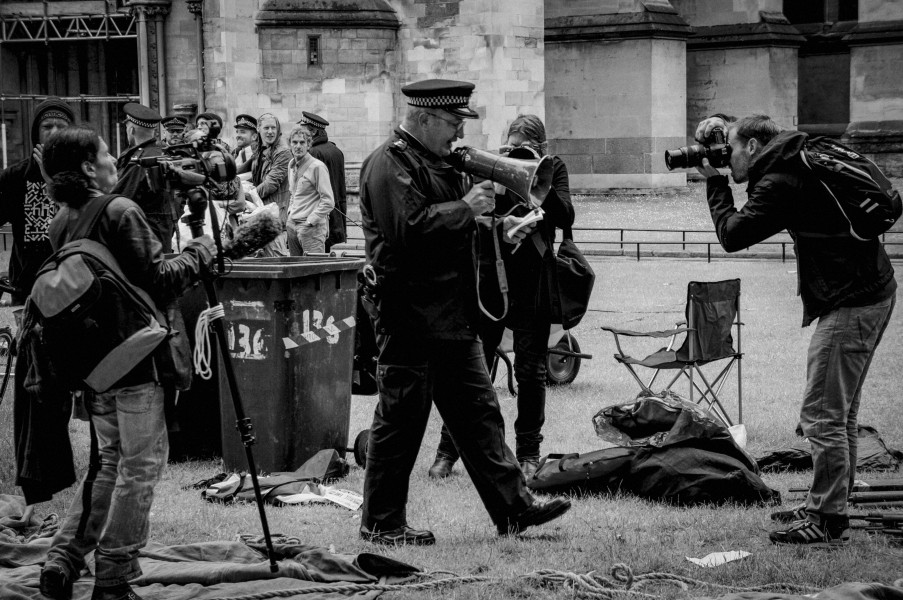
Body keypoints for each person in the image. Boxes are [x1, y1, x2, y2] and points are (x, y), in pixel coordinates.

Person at [359, 78, 571, 546]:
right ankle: (382, 523)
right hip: (408, 316)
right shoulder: (388, 163)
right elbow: (407, 232)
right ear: (424, 118)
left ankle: (514, 510)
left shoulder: (439, 162)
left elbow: (456, 231)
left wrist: (499, 230)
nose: (459, 134)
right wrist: (466, 206)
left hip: (454, 315)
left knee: (480, 414)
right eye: (453, 123)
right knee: (400, 422)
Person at [694, 113, 896, 547]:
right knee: (840, 415)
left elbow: (731, 234)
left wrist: (715, 184)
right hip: (871, 291)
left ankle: (826, 518)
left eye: (729, 149)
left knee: (821, 415)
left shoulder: (780, 180)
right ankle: (828, 504)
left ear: (751, 145)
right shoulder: (799, 155)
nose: (727, 160)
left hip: (853, 301)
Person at [36, 126, 216, 600]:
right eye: (106, 152)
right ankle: (115, 573)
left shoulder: (62, 220)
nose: (116, 158)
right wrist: (200, 247)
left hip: (94, 366)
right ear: (88, 168)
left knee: (109, 462)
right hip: (136, 362)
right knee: (140, 467)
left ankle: (62, 560)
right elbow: (160, 281)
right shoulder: (120, 210)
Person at [428, 114, 575, 480]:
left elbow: (565, 215)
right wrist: (500, 216)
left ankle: (528, 453)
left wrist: (539, 179)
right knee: (474, 367)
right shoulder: (490, 165)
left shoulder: (553, 167)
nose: (519, 153)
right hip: (493, 278)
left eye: (527, 147)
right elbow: (473, 218)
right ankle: (449, 450)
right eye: (513, 146)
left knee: (531, 371)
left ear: (542, 147)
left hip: (534, 281)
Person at [0, 97, 73, 304]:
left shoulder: (83, 172)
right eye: (47, 126)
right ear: (36, 133)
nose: (54, 132)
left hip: (72, 282)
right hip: (27, 286)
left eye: (61, 126)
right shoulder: (15, 176)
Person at [111, 103, 177, 252]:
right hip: (162, 229)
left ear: (132, 129)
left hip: (144, 233)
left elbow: (119, 196)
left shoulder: (140, 160)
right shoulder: (162, 152)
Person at [238, 112, 291, 256]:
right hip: (260, 215)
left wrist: (244, 195)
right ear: (259, 130)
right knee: (260, 263)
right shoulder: (261, 150)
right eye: (266, 128)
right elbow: (241, 172)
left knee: (276, 261)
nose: (270, 132)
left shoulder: (283, 152)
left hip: (275, 217)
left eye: (273, 128)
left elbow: (270, 184)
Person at [298, 111, 347, 251]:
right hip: (337, 214)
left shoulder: (312, 153)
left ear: (312, 132)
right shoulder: (336, 150)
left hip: (319, 216)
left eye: (303, 130)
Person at [286, 126, 334, 255]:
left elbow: (328, 201)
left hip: (310, 228)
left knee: (314, 270)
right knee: (295, 271)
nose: (298, 146)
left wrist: (311, 220)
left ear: (308, 145)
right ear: (290, 145)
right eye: (294, 142)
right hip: (292, 225)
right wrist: (290, 214)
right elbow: (293, 193)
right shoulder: (291, 165)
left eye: (302, 142)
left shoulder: (317, 167)